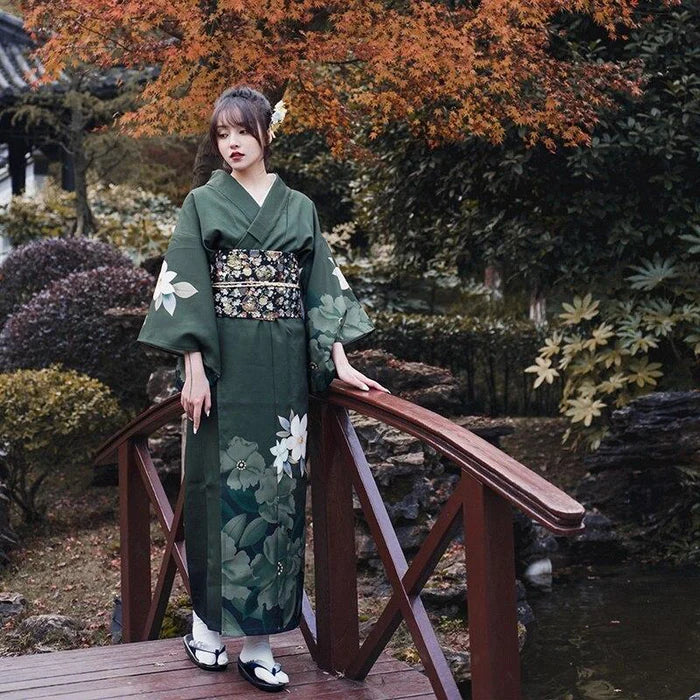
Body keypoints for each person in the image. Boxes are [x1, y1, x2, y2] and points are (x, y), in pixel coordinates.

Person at [137, 84, 389, 691]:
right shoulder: (202, 203)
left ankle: (258, 642)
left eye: (243, 132)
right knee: (212, 491)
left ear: (265, 135)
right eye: (222, 134)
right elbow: (184, 286)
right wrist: (192, 367)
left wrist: (340, 361)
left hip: (283, 380)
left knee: (277, 500)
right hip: (223, 370)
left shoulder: (299, 208)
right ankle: (205, 625)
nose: (232, 144)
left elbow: (319, 290)